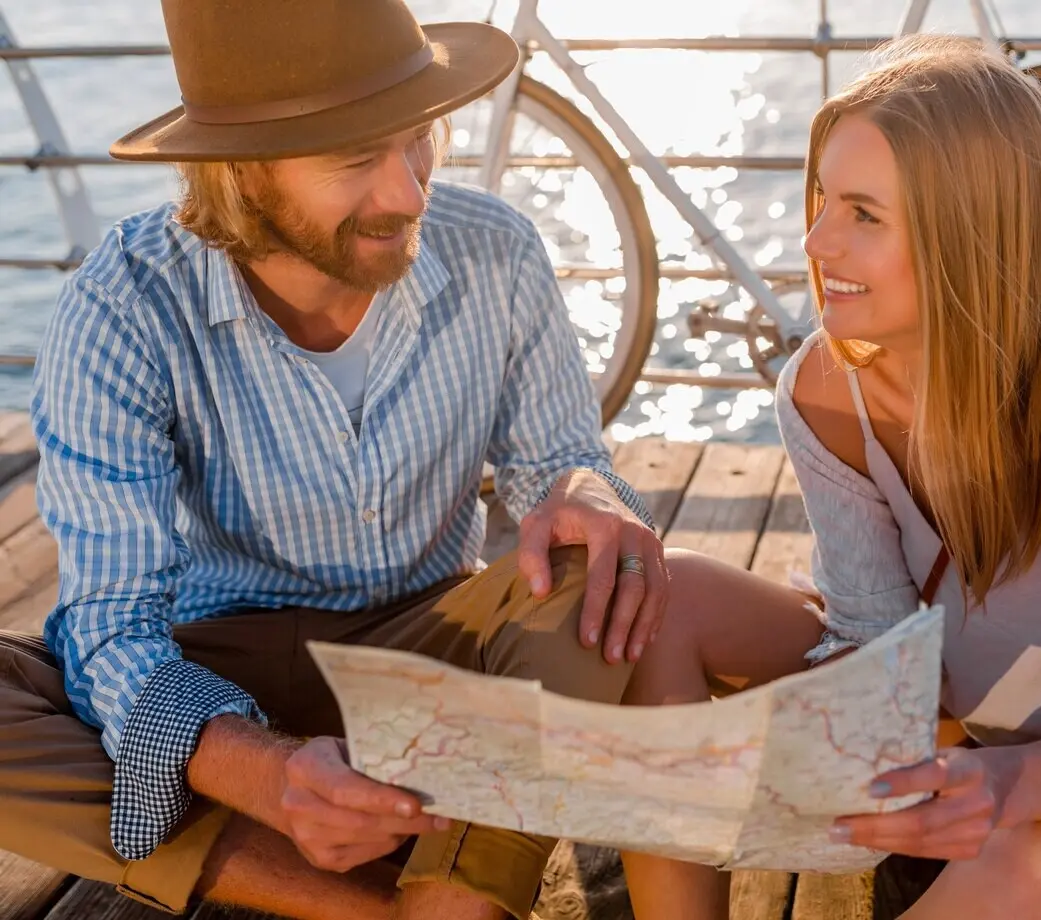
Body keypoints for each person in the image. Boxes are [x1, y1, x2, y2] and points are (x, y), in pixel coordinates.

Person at [0, 2, 669, 919]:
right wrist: (261, 771)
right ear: (239, 171)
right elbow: (114, 627)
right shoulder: (123, 306)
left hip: (429, 645)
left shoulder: (497, 250)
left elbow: (556, 460)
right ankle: (368, 899)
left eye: (419, 139)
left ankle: (435, 891)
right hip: (217, 664)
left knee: (601, 575)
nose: (409, 193)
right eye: (356, 159)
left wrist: (588, 494)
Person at [622, 34, 1041, 920]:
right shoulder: (824, 387)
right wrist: (862, 751)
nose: (815, 238)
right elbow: (875, 639)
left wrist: (1012, 779)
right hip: (959, 738)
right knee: (664, 594)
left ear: (969, 235)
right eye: (823, 198)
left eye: (863, 214)